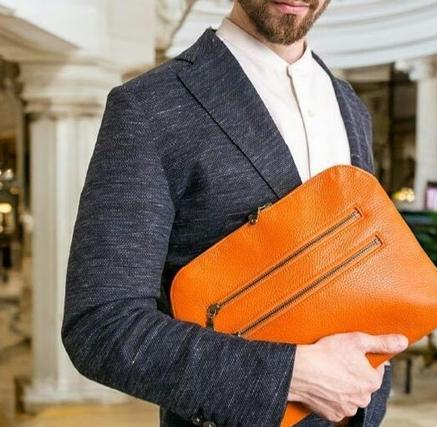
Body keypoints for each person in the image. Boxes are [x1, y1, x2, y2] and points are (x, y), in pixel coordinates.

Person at [61, 0, 409, 426]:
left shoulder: (350, 106)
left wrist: (368, 391)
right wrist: (290, 377)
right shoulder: (149, 106)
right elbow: (101, 325)